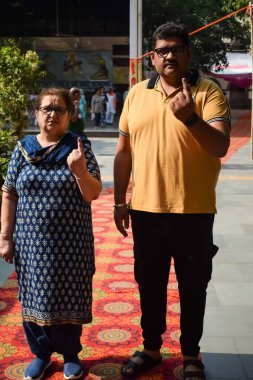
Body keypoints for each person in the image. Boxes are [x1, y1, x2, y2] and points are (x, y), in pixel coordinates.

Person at [113, 22, 231, 380]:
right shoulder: (136, 94)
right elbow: (123, 152)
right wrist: (120, 201)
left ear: (187, 54)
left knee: (193, 285)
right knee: (149, 283)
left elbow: (220, 146)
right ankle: (151, 347)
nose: (169, 55)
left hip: (193, 210)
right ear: (152, 57)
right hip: (146, 209)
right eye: (162, 50)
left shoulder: (207, 91)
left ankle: (191, 354)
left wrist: (190, 117)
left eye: (176, 49)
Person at [0, 87, 102, 380]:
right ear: (37, 113)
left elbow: (92, 194)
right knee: (34, 297)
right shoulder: (23, 149)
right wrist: (5, 236)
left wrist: (80, 171)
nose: (52, 114)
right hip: (31, 245)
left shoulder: (79, 146)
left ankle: (70, 354)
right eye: (47, 108)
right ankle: (41, 354)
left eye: (59, 109)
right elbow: (9, 193)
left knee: (69, 297)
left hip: (71, 244)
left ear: (69, 115)